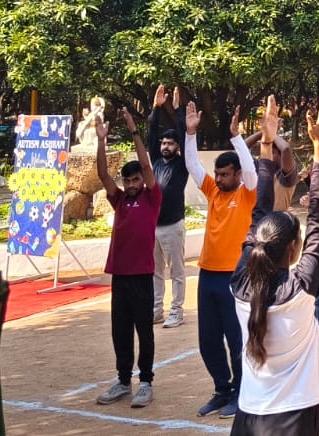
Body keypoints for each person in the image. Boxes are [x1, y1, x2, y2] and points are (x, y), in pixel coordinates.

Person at [230, 112, 319, 436]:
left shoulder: (239, 284)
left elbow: (260, 212)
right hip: (294, 418)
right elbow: (318, 216)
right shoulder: (300, 290)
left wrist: (265, 143)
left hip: (248, 415)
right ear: (293, 249)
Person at [185, 101, 260, 419]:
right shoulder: (214, 191)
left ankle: (241, 392)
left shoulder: (246, 193)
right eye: (216, 173)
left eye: (225, 174)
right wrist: (190, 133)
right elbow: (192, 167)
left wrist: (236, 138)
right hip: (208, 274)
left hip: (235, 276)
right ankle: (222, 389)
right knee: (208, 340)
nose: (218, 178)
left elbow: (252, 170)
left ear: (237, 175)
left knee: (236, 338)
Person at [94, 108, 161, 409]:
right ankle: (123, 381)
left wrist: (134, 129)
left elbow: (146, 163)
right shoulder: (119, 199)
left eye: (136, 180)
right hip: (120, 276)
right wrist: (101, 141)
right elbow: (102, 174)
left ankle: (145, 382)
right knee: (119, 331)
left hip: (142, 276)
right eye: (128, 180)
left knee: (143, 330)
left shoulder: (151, 198)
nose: (132, 184)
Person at [147, 86, 190, 329]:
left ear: (177, 146)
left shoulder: (181, 164)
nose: (165, 146)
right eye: (163, 143)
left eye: (170, 143)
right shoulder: (156, 160)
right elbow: (151, 135)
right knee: (155, 272)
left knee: (176, 272)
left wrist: (177, 111)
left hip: (173, 226)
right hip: (154, 225)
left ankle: (177, 311)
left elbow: (186, 136)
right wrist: (155, 108)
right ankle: (156, 310)